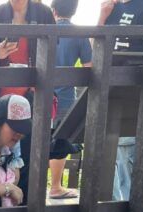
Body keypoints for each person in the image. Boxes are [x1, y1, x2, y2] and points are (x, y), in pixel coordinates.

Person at [0, 0, 63, 202]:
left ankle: (25, 208)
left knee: (30, 153)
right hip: (0, 98)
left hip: (32, 95)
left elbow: (53, 50)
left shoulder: (43, 14)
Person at [98, 0, 143, 201]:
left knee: (128, 149)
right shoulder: (110, 7)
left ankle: (132, 207)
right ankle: (110, 204)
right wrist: (101, 17)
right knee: (108, 147)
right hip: (110, 85)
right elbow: (96, 48)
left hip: (136, 87)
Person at [49, 0, 92, 199]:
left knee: (36, 139)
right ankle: (55, 187)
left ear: (53, 10)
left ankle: (31, 188)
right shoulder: (79, 34)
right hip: (66, 95)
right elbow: (89, 66)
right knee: (60, 139)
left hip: (40, 94)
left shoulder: (44, 30)